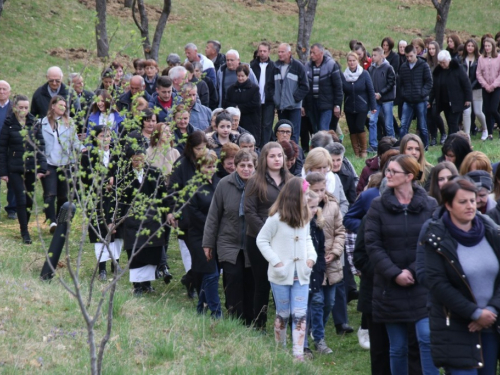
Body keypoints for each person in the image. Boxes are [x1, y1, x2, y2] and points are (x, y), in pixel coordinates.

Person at [365, 154, 439, 375]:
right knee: (397, 348)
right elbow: (372, 245)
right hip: (390, 287)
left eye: (392, 172)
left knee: (426, 338)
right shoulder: (378, 206)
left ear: (409, 176)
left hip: (421, 285)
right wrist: (395, 273)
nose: (387, 176)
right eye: (387, 171)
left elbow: (433, 242)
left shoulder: (430, 205)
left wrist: (414, 270)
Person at [419, 177, 500, 374]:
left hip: (491, 322)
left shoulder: (491, 231)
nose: (470, 206)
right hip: (455, 325)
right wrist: (475, 313)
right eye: (462, 202)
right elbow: (438, 283)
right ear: (448, 205)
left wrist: (491, 310)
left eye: (472, 200)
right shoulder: (435, 236)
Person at [256, 176, 317, 361]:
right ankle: (280, 351)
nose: (308, 198)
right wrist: (277, 262)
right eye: (305, 194)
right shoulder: (275, 219)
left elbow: (307, 239)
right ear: (294, 196)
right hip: (281, 275)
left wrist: (311, 258)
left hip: (302, 274)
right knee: (283, 313)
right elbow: (261, 240)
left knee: (300, 313)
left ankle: (298, 354)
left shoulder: (305, 217)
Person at [203, 150, 257, 325]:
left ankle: (251, 320)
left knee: (250, 281)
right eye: (242, 165)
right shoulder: (224, 184)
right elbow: (213, 215)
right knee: (232, 278)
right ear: (235, 166)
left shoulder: (260, 185)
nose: (246, 169)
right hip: (228, 241)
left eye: (250, 166)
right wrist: (208, 243)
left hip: (252, 243)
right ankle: (235, 319)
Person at [245, 142, 293, 330]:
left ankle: (285, 324)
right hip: (258, 240)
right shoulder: (254, 181)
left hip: (285, 240)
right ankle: (260, 325)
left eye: (279, 156)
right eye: (272, 156)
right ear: (264, 158)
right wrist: (267, 234)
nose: (276, 159)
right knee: (262, 284)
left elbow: (304, 202)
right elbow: (249, 212)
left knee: (284, 281)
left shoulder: (292, 180)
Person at [118, 148, 168, 296]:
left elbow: (162, 194)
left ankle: (147, 283)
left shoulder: (154, 173)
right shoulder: (124, 177)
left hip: (152, 218)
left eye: (141, 159)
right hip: (132, 220)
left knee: (150, 250)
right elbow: (120, 200)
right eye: (135, 159)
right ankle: (137, 285)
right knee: (134, 251)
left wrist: (165, 213)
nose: (138, 162)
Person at [306, 172, 346, 354]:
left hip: (331, 262)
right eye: (316, 190)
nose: (320, 194)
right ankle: (318, 339)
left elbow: (340, 231)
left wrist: (336, 252)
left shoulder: (333, 206)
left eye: (323, 190)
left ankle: (316, 330)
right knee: (316, 301)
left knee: (329, 301)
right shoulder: (305, 208)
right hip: (313, 264)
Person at [167, 131, 209, 298]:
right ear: (191, 148)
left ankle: (190, 279)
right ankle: (195, 285)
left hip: (205, 213)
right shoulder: (182, 164)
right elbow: (173, 190)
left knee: (204, 257)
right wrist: (174, 212)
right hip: (187, 216)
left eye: (204, 147)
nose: (202, 151)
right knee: (194, 254)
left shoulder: (208, 161)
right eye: (198, 148)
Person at [0, 95, 47, 244]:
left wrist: (42, 166)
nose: (23, 110)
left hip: (31, 167)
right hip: (14, 167)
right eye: (21, 107)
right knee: (20, 198)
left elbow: (40, 146)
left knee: (28, 200)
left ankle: (25, 223)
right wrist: (3, 171)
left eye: (26, 107)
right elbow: (2, 148)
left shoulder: (34, 123)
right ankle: (24, 231)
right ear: (15, 107)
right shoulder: (8, 124)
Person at [80, 126, 121, 281]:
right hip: (97, 198)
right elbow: (85, 178)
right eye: (102, 136)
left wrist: (114, 181)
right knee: (100, 231)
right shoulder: (87, 156)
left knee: (116, 230)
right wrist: (105, 181)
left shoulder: (117, 155)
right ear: (96, 138)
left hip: (115, 197)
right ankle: (102, 267)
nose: (106, 139)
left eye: (109, 135)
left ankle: (115, 262)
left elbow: (122, 175)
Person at [184, 149, 221, 317]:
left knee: (210, 271)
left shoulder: (219, 183)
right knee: (208, 270)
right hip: (197, 234)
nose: (210, 169)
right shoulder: (192, 185)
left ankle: (202, 306)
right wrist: (212, 224)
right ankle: (211, 309)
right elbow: (192, 212)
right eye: (207, 166)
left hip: (217, 234)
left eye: (213, 166)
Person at [40, 95, 84, 233]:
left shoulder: (69, 122)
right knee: (49, 194)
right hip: (49, 163)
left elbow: (75, 141)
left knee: (64, 195)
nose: (63, 108)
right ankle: (52, 221)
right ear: (53, 106)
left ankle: (62, 222)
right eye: (60, 105)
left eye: (65, 106)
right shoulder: (42, 123)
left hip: (65, 163)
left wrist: (82, 148)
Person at [271, 43, 309, 144]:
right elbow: (270, 85)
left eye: (282, 52)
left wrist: (295, 98)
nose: (280, 54)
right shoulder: (275, 66)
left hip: (294, 107)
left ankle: (294, 155)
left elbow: (305, 86)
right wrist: (275, 99)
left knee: (294, 133)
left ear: (289, 53)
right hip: (281, 107)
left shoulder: (298, 67)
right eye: (278, 52)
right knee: (282, 133)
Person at [341, 51, 376, 158]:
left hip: (362, 106)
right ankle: (356, 152)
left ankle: (363, 150)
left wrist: (373, 106)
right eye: (349, 61)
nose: (351, 63)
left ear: (357, 61)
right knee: (352, 129)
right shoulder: (344, 75)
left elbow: (370, 90)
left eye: (353, 61)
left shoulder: (364, 74)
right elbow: (340, 91)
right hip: (349, 107)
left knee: (359, 127)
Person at [429, 50, 472, 136]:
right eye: (440, 63)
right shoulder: (438, 71)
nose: (442, 65)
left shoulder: (458, 68)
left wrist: (468, 98)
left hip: (456, 101)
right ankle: (453, 138)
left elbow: (466, 84)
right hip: (444, 101)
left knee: (453, 122)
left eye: (444, 62)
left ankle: (453, 140)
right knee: (448, 121)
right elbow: (434, 87)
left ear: (449, 60)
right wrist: (430, 100)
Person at [399, 45, 433, 149]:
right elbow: (401, 84)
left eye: (411, 56)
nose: (409, 58)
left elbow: (429, 82)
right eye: (407, 56)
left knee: (422, 126)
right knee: (403, 125)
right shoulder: (404, 67)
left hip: (420, 100)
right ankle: (403, 147)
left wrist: (422, 93)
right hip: (408, 100)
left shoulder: (423, 65)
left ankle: (425, 146)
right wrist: (404, 94)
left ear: (415, 54)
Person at [304, 43, 343, 133]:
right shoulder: (307, 67)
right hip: (312, 105)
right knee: (315, 130)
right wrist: (303, 105)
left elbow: (338, 87)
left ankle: (324, 146)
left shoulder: (331, 65)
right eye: (311, 53)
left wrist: (337, 105)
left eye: (314, 53)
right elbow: (304, 87)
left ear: (321, 53)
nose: (312, 55)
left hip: (326, 105)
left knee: (323, 128)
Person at [223, 64, 261, 144]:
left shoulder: (254, 88)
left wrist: (238, 107)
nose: (240, 78)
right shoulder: (231, 89)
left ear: (247, 75)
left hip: (250, 120)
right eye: (238, 76)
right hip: (234, 120)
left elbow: (255, 104)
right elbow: (226, 102)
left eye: (242, 76)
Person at [368, 47, 397, 150]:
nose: (372, 57)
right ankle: (373, 145)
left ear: (381, 56)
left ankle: (393, 144)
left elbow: (391, 83)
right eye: (372, 55)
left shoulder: (388, 68)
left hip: (387, 100)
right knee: (372, 121)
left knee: (388, 124)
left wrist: (381, 93)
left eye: (375, 55)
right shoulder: (371, 69)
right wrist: (373, 95)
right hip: (375, 100)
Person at [250, 41, 276, 147]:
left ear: (269, 52)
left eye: (264, 51)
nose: (262, 53)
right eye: (260, 51)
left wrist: (273, 96)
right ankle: (256, 145)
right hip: (256, 100)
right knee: (257, 124)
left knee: (267, 125)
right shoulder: (252, 65)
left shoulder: (274, 66)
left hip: (269, 101)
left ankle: (265, 146)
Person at [462, 39, 488, 140]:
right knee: (466, 112)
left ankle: (485, 129)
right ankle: (467, 134)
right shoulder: (461, 59)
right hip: (465, 90)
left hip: (476, 89)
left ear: (475, 47)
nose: (470, 48)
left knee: (478, 111)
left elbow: (479, 76)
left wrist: (469, 87)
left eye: (472, 46)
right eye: (468, 45)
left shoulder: (479, 59)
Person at [476, 37, 500, 140]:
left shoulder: (498, 57)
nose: (487, 48)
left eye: (488, 46)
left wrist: (493, 85)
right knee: (487, 111)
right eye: (485, 46)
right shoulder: (481, 58)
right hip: (485, 87)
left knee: (494, 109)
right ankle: (490, 133)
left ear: (493, 46)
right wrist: (485, 85)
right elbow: (478, 73)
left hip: (496, 87)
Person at [0, 80, 17, 220]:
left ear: (9, 92)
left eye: (4, 89)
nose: (1, 92)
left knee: (11, 178)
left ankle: (12, 208)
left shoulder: (14, 108)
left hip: (10, 147)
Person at [425, 42, 447, 146]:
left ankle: (443, 133)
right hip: (428, 92)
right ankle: (433, 136)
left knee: (435, 113)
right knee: (429, 115)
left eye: (433, 48)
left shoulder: (440, 64)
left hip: (438, 93)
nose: (431, 51)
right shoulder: (427, 63)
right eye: (430, 49)